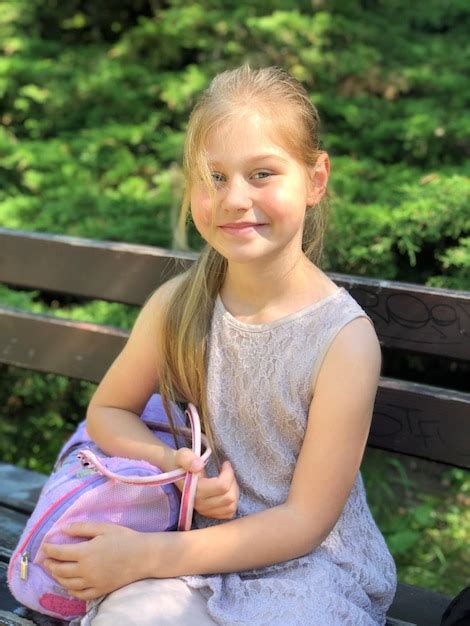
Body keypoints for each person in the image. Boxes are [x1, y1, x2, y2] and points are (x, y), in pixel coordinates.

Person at [42, 65, 397, 625]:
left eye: (261, 174)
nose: (235, 199)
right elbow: (109, 411)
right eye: (214, 177)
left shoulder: (343, 341)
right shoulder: (179, 306)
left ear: (315, 179)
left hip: (311, 567)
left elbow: (305, 522)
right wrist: (176, 465)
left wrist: (147, 557)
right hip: (197, 548)